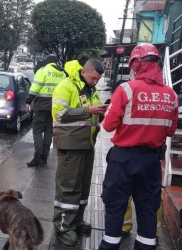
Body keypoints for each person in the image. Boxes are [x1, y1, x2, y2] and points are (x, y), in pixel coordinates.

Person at [99, 43, 179, 250]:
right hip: (151, 161)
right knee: (148, 209)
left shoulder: (126, 89)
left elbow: (108, 125)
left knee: (116, 206)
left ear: (136, 64)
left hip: (123, 159)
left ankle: (109, 246)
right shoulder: (171, 95)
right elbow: (170, 131)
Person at [51, 59, 108, 246]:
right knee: (68, 187)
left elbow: (94, 111)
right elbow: (59, 114)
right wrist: (88, 110)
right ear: (84, 72)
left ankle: (76, 221)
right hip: (70, 146)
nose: (95, 82)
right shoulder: (65, 86)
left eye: (98, 79)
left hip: (87, 144)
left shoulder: (92, 90)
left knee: (83, 188)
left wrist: (101, 112)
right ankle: (62, 226)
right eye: (93, 78)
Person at [26, 55, 67, 167]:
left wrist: (28, 101)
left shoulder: (43, 70)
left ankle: (37, 157)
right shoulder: (62, 73)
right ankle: (44, 158)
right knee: (49, 131)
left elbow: (35, 89)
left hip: (42, 106)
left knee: (37, 131)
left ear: (47, 62)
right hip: (55, 107)